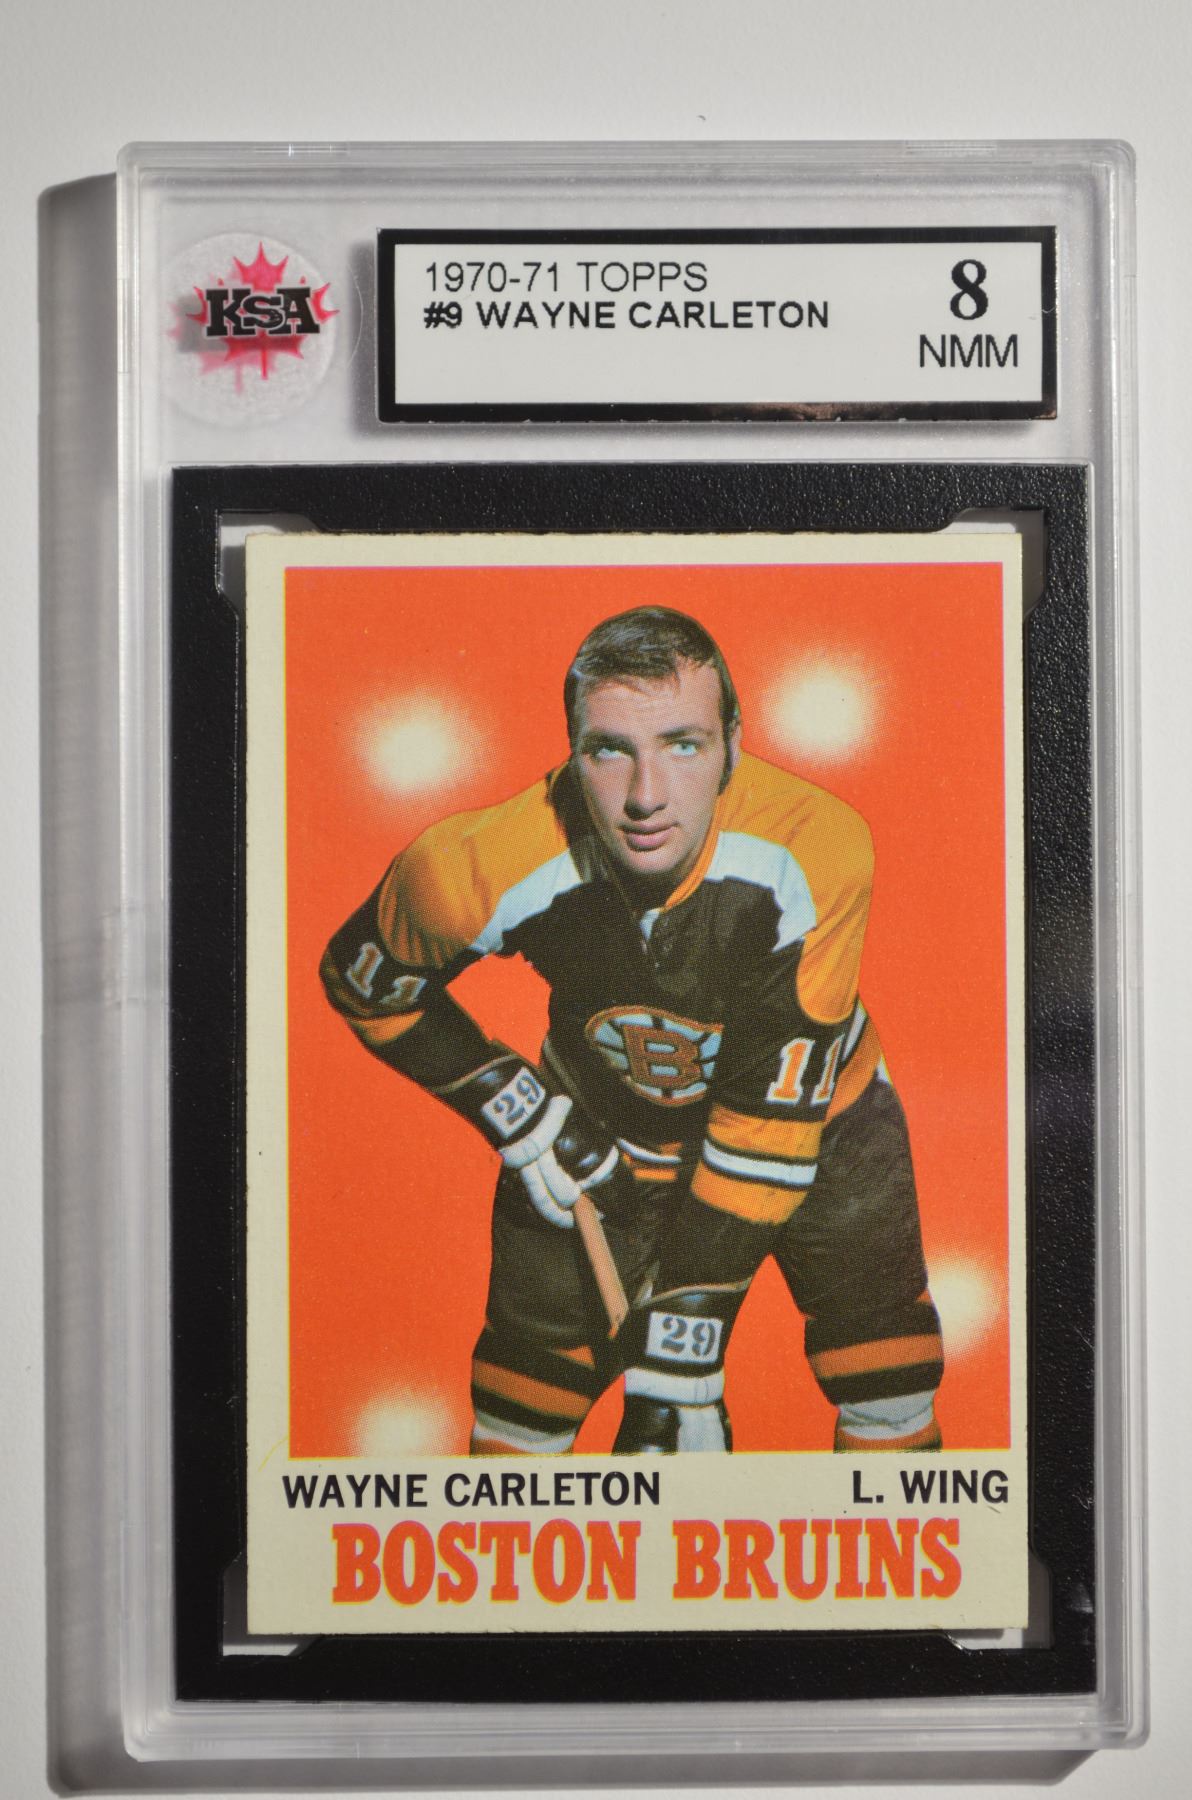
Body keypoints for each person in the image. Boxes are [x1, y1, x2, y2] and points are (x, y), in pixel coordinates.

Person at [321, 607, 944, 1456]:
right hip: (604, 1132)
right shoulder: (475, 867)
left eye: (683, 745)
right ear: (570, 752)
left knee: (888, 1382)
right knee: (521, 1410)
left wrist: (680, 1360)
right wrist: (516, 1106)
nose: (646, 795)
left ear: (733, 746)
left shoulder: (814, 846)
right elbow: (363, 979)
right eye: (609, 750)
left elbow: (765, 1134)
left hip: (813, 1125)